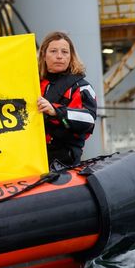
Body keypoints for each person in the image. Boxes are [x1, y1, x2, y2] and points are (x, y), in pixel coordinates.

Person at [36, 31, 97, 167]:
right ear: (44, 55)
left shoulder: (82, 87)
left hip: (63, 159)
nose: (59, 56)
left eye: (64, 52)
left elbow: (89, 119)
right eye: (53, 51)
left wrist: (56, 111)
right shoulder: (32, 84)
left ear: (71, 57)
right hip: (32, 156)